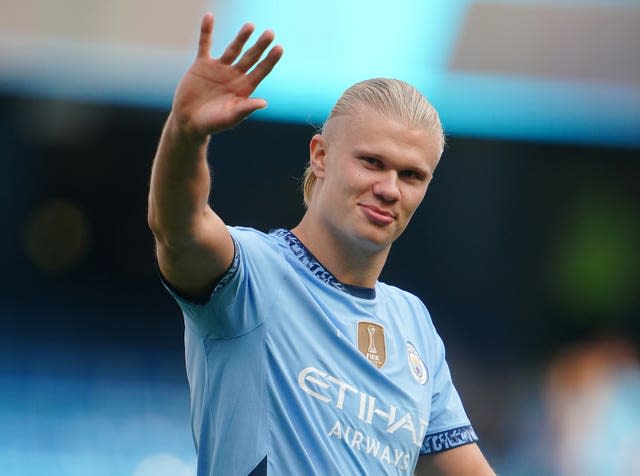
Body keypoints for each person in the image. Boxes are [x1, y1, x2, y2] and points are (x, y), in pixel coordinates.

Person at [148, 12, 494, 476]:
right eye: (372, 162)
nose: (390, 188)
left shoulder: (415, 326)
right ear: (321, 156)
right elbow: (179, 227)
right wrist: (186, 133)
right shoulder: (251, 276)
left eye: (411, 175)